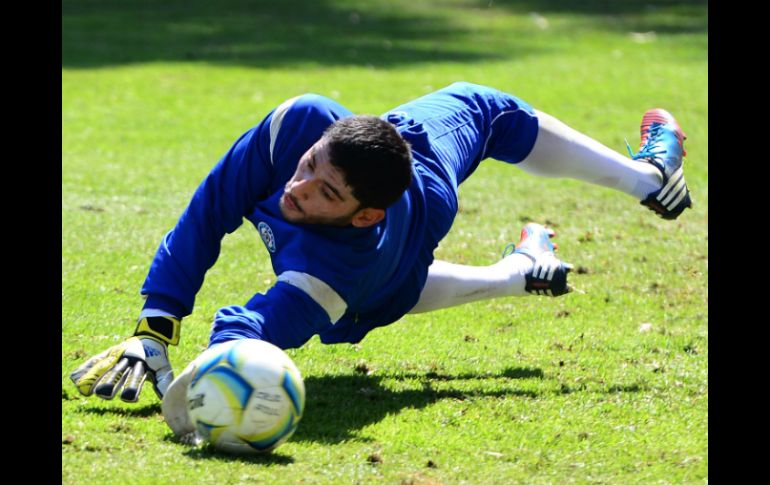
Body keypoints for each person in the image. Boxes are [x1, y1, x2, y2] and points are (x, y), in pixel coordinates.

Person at [69, 82, 691, 438]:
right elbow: (211, 208)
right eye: (310, 165)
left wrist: (208, 370)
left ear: (362, 214)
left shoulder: (339, 268)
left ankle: (614, 202)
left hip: (400, 233)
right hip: (396, 152)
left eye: (325, 193)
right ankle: (557, 244)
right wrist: (156, 326)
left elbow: (260, 326)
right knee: (481, 104)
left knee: (372, 300)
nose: (299, 188)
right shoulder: (299, 127)